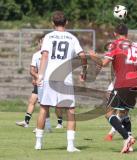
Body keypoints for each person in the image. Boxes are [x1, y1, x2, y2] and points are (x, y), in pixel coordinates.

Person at [35, 11, 87, 152]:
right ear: (67, 22)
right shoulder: (71, 37)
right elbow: (82, 55)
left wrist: (40, 75)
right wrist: (84, 70)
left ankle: (38, 143)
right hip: (65, 78)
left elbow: (44, 56)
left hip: (49, 76)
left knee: (44, 108)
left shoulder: (48, 37)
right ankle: (70, 146)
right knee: (70, 110)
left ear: (53, 23)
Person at [89, 24, 137, 153]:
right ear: (127, 33)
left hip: (122, 83)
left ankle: (127, 138)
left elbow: (103, 63)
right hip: (134, 84)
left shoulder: (114, 45)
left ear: (115, 34)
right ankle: (130, 146)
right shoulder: (136, 47)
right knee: (124, 114)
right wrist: (134, 78)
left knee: (108, 113)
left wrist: (93, 56)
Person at [15, 35, 63, 131]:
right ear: (39, 43)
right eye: (42, 42)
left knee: (54, 104)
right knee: (33, 101)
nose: (44, 44)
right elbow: (32, 70)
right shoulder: (36, 55)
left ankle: (58, 122)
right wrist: (37, 77)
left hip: (51, 82)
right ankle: (27, 122)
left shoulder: (53, 56)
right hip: (40, 82)